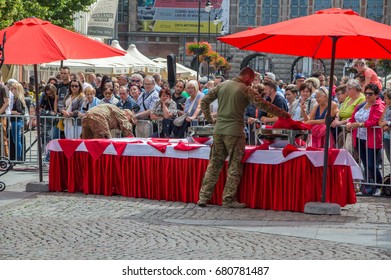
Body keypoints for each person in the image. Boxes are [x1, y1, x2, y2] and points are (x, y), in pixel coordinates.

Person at [197, 67, 290, 208]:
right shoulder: (245, 89)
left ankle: (203, 197)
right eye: (251, 81)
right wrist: (283, 114)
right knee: (234, 166)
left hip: (219, 130)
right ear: (247, 77)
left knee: (214, 164)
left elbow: (204, 101)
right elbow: (262, 104)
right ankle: (228, 199)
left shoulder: (222, 85)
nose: (252, 84)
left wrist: (210, 119)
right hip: (234, 132)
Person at [346, 84, 385, 197]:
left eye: (370, 94)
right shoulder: (362, 104)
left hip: (372, 139)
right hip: (359, 137)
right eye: (366, 93)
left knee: (372, 164)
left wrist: (360, 124)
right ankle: (369, 186)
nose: (367, 96)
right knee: (365, 164)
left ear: (376, 95)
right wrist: (350, 123)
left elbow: (374, 121)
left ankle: (379, 185)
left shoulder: (379, 105)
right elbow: (353, 117)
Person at [9, 83, 27, 161]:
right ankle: (18, 157)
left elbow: (19, 112)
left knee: (17, 140)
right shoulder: (17, 99)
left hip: (16, 121)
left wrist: (9, 112)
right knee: (15, 140)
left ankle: (18, 158)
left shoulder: (18, 100)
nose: (12, 90)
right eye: (12, 88)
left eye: (14, 88)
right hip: (16, 121)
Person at [0, 81, 10, 157]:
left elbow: (7, 103)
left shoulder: (3, 88)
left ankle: (5, 157)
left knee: (2, 137)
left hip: (1, 116)